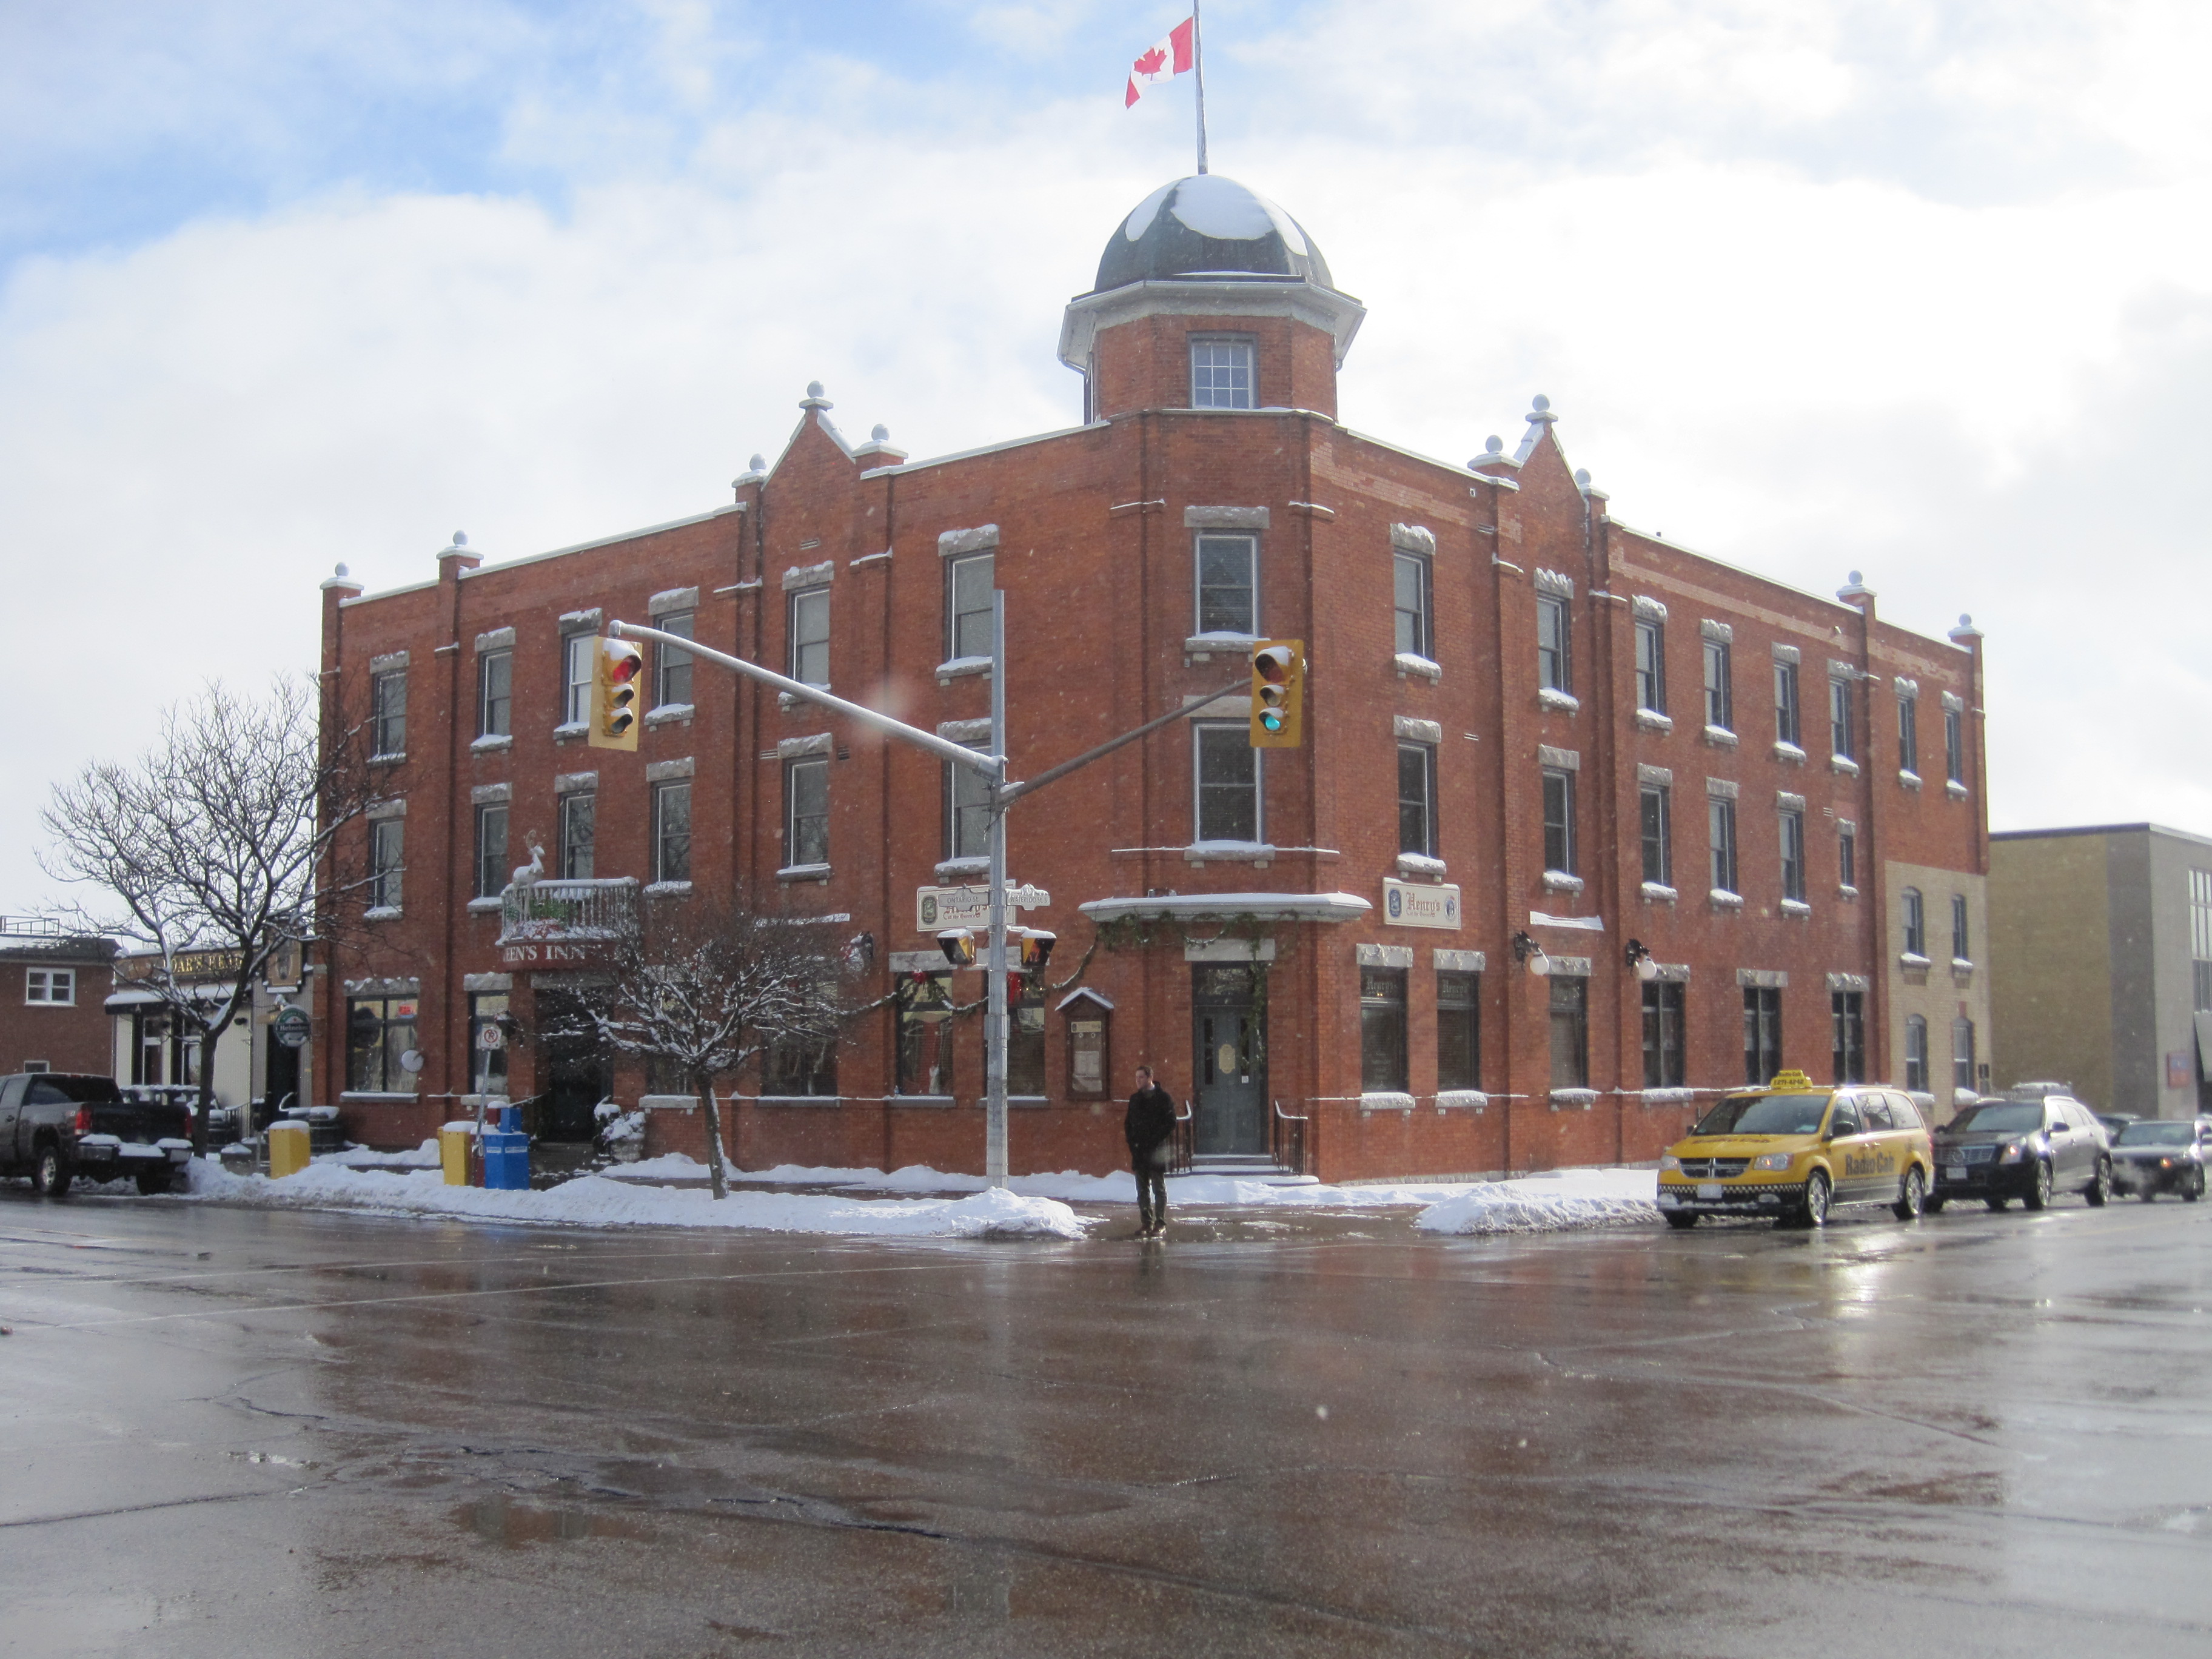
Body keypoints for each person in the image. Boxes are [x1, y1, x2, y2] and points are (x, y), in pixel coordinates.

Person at [1125, 1064, 1177, 1238]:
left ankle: (1160, 1223)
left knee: (1158, 1189)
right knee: (1142, 1190)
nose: (1138, 1081)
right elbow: (1128, 1124)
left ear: (1149, 1078)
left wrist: (1155, 1139)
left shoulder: (1163, 1098)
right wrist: (1133, 1144)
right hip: (1139, 1151)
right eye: (1136, 1077)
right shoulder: (1135, 1099)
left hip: (1156, 1151)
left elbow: (1170, 1122)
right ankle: (1146, 1222)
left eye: (1141, 1077)